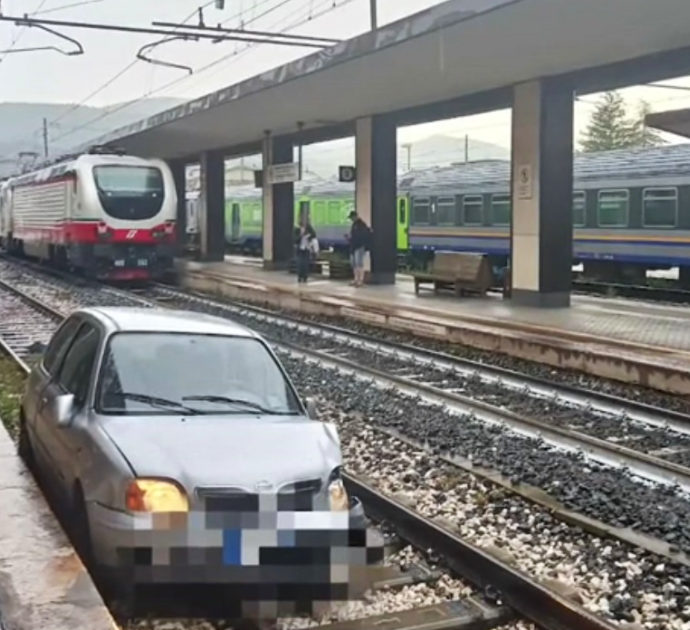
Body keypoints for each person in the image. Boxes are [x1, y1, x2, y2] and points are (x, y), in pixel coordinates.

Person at [347, 211, 371, 287]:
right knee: (354, 264)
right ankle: (356, 279)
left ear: (355, 216)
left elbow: (362, 236)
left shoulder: (361, 225)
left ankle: (360, 280)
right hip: (354, 247)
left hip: (359, 247)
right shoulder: (354, 225)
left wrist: (352, 238)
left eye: (352, 217)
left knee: (359, 263)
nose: (351, 219)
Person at [294, 219, 317, 283]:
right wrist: (301, 235)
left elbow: (314, 235)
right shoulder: (297, 230)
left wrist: (308, 235)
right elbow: (295, 240)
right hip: (300, 249)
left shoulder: (309, 230)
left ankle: (305, 277)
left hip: (307, 248)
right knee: (300, 263)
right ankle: (300, 276)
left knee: (306, 264)